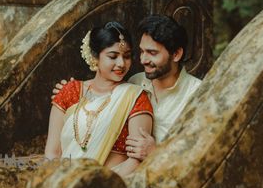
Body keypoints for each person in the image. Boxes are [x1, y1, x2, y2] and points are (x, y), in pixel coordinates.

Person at [53, 15, 202, 162]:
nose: (143, 60)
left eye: (152, 53)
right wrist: (68, 92)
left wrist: (156, 152)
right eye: (142, 52)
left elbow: (204, 152)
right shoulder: (135, 82)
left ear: (176, 54)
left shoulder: (199, 94)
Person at [45, 21, 153, 177]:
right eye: (113, 56)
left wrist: (99, 186)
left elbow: (137, 158)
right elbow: (52, 152)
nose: (121, 63)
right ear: (95, 56)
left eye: (127, 56)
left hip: (111, 185)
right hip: (65, 184)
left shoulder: (135, 97)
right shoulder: (71, 91)